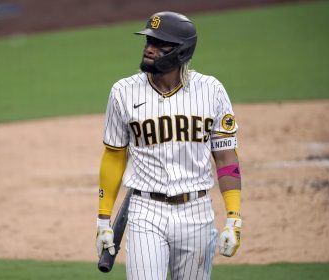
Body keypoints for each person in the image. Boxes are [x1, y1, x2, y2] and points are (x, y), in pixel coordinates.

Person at [96, 11, 242, 280]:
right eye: (148, 41)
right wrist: (103, 218)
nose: (149, 49)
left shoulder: (211, 91)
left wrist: (234, 217)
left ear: (182, 52)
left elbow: (225, 157)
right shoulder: (123, 92)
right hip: (145, 211)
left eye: (159, 44)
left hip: (197, 212)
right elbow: (114, 155)